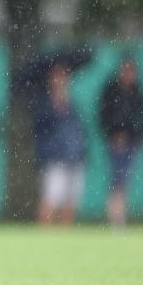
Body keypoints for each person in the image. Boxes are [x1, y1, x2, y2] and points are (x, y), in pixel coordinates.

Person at [99, 55, 143, 226]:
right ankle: (116, 219)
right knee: (118, 180)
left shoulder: (137, 92)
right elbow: (104, 115)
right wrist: (114, 134)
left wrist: (141, 136)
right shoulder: (111, 90)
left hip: (132, 143)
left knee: (123, 181)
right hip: (116, 143)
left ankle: (118, 217)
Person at [33, 63, 87, 225]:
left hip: (74, 157)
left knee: (71, 199)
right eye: (58, 77)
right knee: (51, 198)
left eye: (64, 77)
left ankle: (64, 236)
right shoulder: (44, 103)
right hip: (54, 158)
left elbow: (77, 130)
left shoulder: (72, 104)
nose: (61, 81)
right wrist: (55, 107)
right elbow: (40, 127)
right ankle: (44, 235)